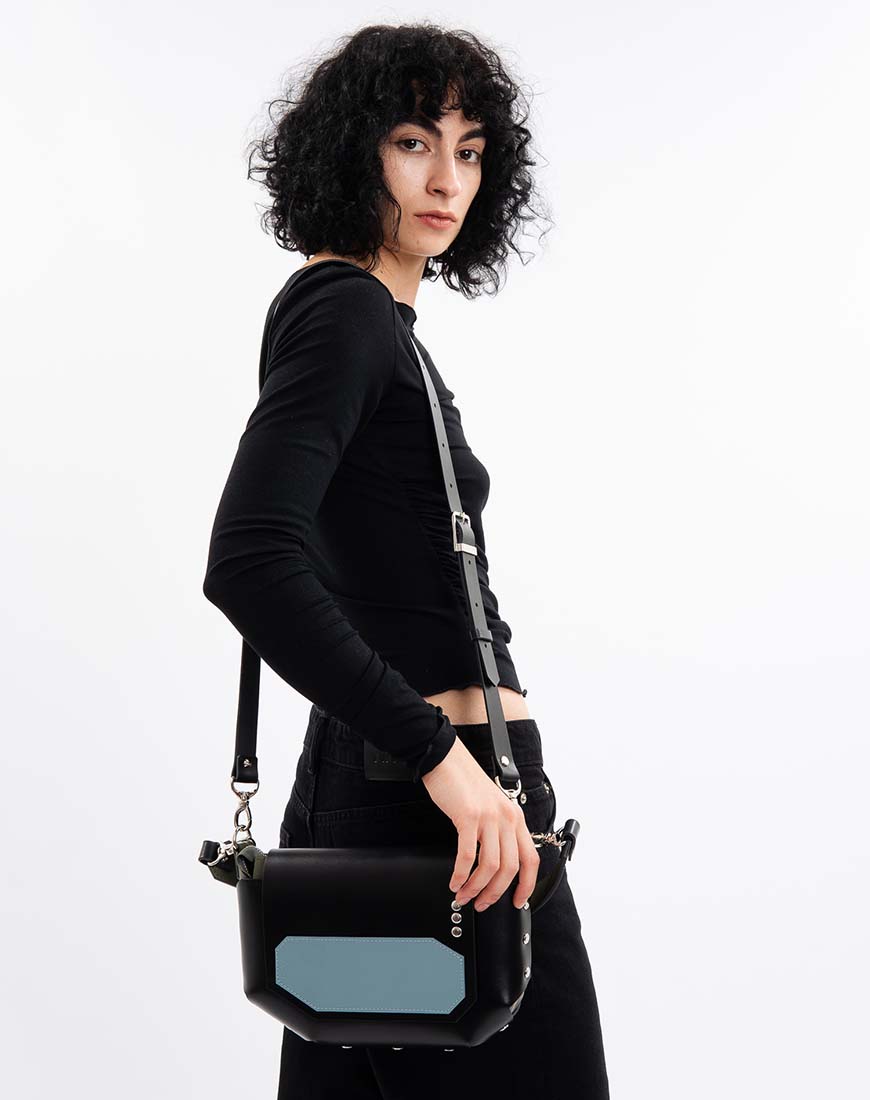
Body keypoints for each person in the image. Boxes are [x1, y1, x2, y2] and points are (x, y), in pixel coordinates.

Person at [202, 21, 610, 1099]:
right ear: (354, 152)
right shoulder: (347, 314)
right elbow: (248, 559)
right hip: (438, 806)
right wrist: (444, 759)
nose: (447, 180)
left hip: (398, 789)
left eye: (469, 150)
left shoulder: (373, 324)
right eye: (413, 141)